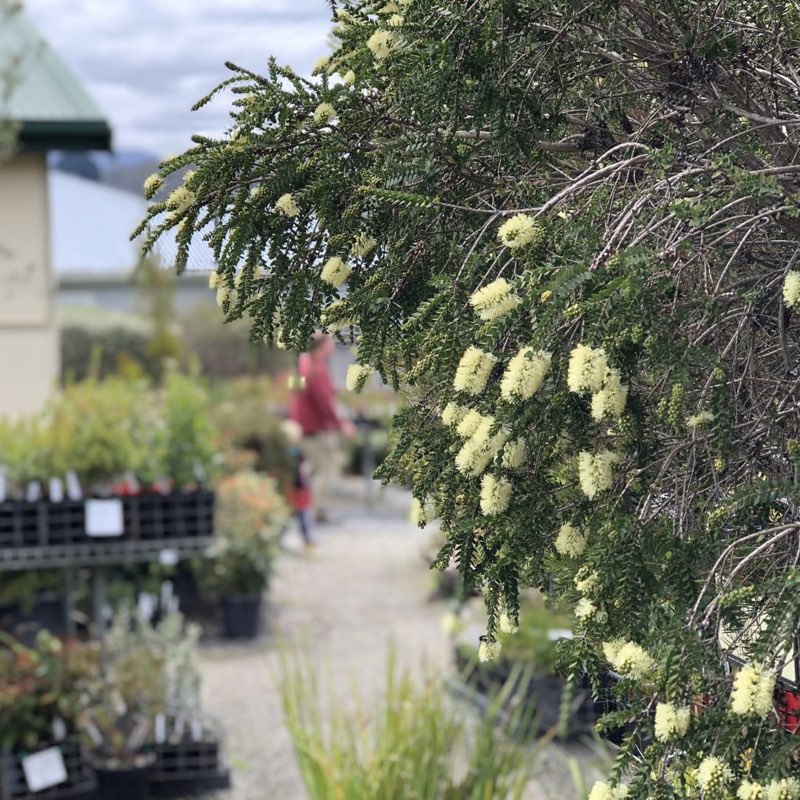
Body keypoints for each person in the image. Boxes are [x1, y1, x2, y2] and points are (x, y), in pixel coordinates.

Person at [288, 333, 356, 522]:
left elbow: (296, 394)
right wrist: (342, 424)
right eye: (330, 342)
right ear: (322, 346)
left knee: (312, 468)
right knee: (325, 470)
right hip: (317, 429)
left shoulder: (303, 366)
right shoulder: (315, 370)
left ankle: (304, 506)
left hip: (305, 427)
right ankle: (319, 512)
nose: (333, 345)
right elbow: (325, 402)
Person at [281, 419, 314, 547]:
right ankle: (304, 537)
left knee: (303, 515)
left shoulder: (297, 452)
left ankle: (306, 538)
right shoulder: (288, 453)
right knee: (293, 515)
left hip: (299, 488)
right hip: (293, 488)